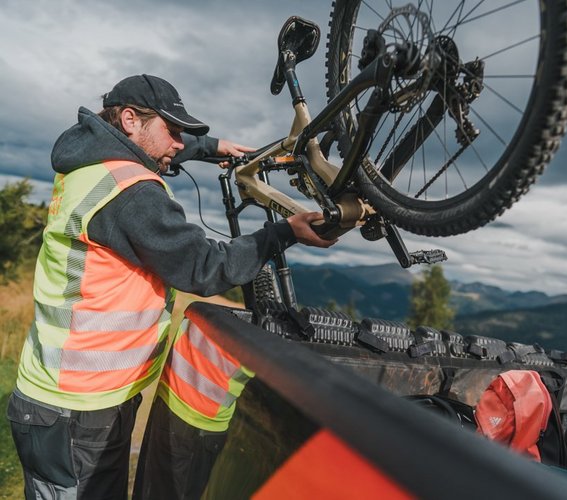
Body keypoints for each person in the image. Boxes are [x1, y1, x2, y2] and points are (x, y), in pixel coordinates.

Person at [6, 74, 335, 499]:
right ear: (129, 119)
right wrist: (283, 233)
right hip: (74, 410)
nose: (179, 143)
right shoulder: (131, 191)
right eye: (173, 130)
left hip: (77, 397)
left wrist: (212, 147)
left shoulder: (87, 158)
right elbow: (203, 266)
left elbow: (155, 145)